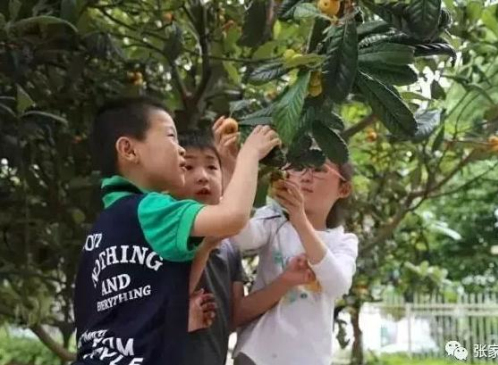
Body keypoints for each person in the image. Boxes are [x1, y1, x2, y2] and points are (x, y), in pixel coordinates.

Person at [71, 96, 280, 365]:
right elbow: (234, 217)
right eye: (171, 137)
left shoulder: (109, 224)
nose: (180, 150)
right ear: (128, 149)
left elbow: (165, 297)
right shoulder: (150, 209)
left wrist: (204, 247)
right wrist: (250, 154)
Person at [180, 122, 316, 364]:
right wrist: (249, 155)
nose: (202, 176)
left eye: (212, 166)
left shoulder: (230, 246)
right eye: (188, 166)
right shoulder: (165, 233)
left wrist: (286, 280)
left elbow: (234, 314)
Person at [231, 159, 359, 365]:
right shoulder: (272, 220)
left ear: (343, 189)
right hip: (256, 354)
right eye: (298, 167)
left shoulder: (343, 241)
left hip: (308, 358)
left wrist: (300, 220)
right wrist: (235, 168)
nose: (306, 177)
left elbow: (338, 284)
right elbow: (240, 237)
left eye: (319, 169)